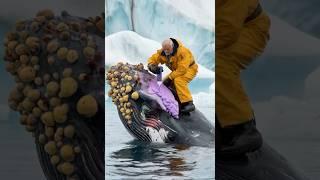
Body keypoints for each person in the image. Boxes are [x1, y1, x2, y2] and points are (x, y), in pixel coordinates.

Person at [216, 0, 271, 156]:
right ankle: (224, 123)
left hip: (250, 28)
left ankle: (243, 127)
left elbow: (227, 30)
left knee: (220, 64)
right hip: (232, 27)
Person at [147, 38, 198, 113]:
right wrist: (152, 66)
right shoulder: (164, 52)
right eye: (165, 50)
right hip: (177, 71)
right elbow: (154, 58)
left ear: (172, 46)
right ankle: (175, 101)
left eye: (168, 49)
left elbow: (182, 69)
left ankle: (188, 103)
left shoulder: (183, 52)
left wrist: (170, 78)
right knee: (164, 83)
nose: (166, 51)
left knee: (179, 80)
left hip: (189, 69)